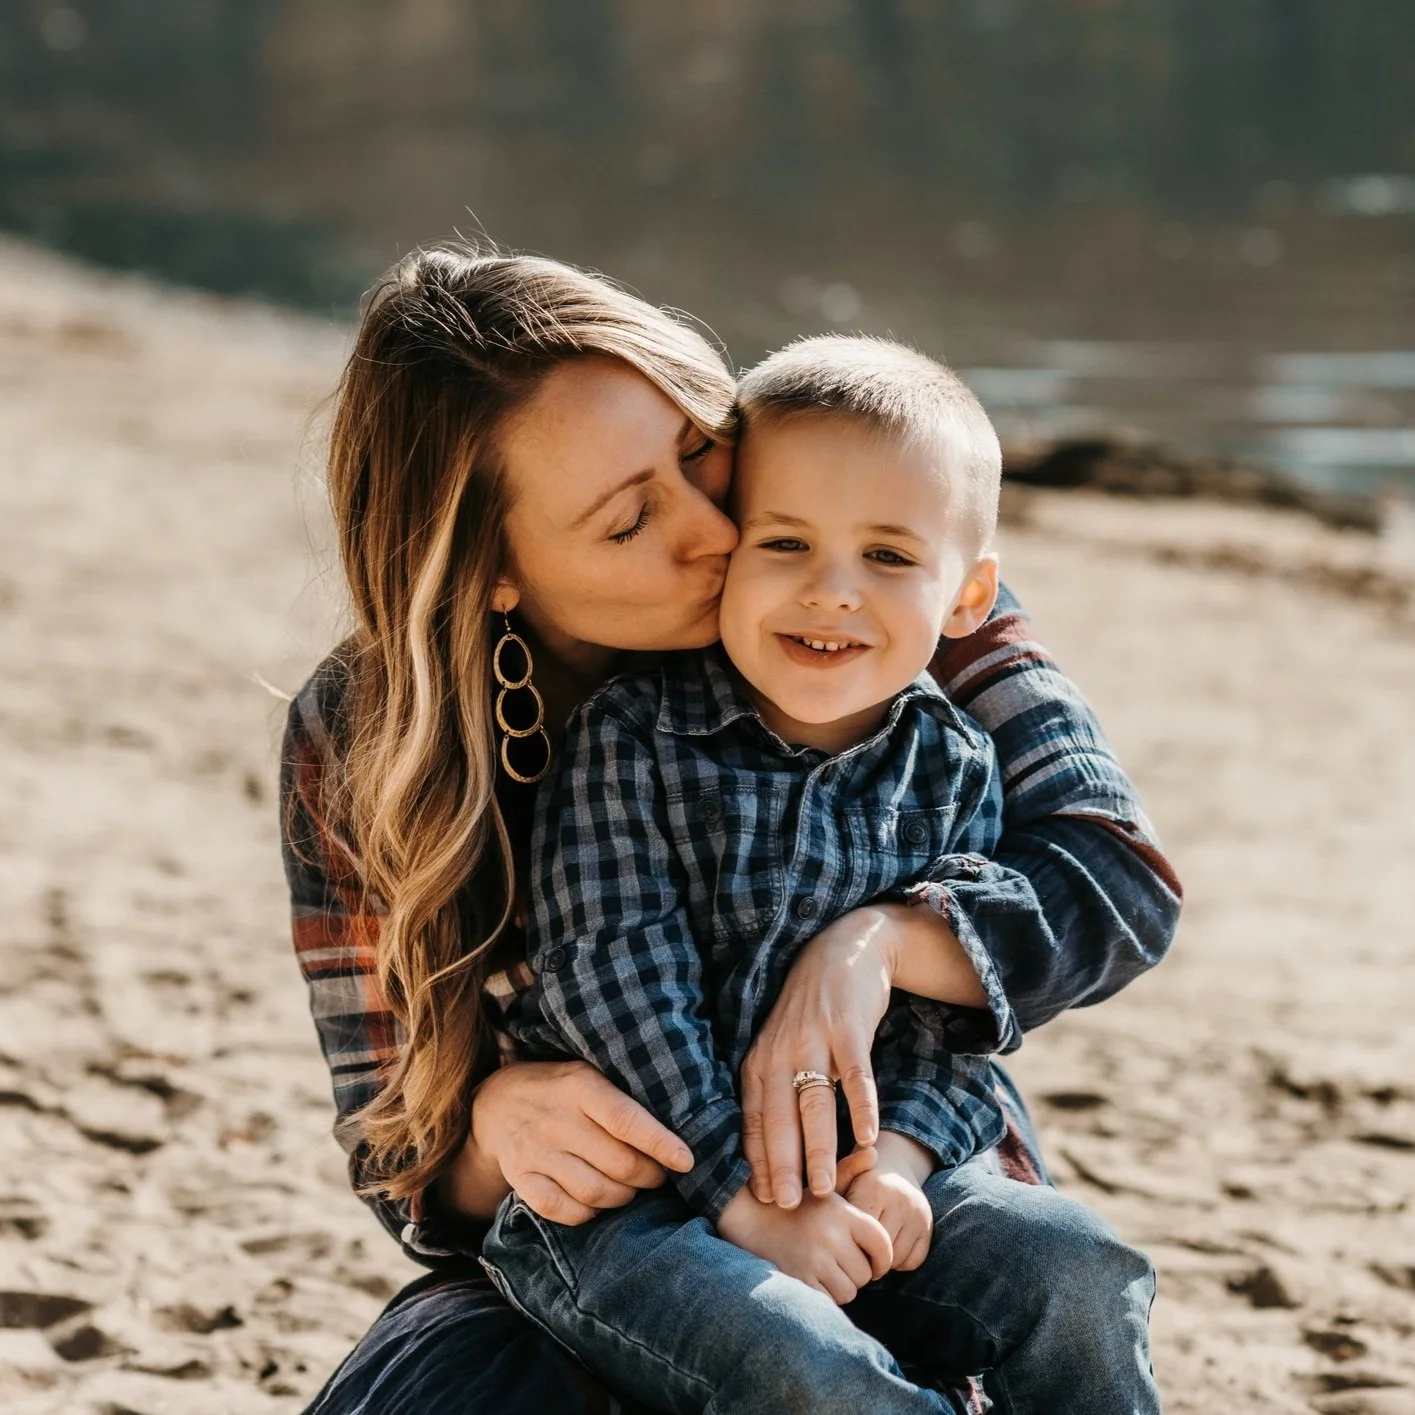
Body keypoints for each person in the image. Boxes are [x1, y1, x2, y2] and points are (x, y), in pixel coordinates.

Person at [280, 244, 1182, 1414]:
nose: (719, 530)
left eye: (699, 453)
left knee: (1049, 1279)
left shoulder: (862, 559)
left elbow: (1115, 875)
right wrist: (488, 1131)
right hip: (622, 1214)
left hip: (889, 1162)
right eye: (626, 522)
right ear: (495, 571)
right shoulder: (372, 731)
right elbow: (393, 1151)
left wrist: (874, 947)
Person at [481, 336, 1160, 1413]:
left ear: (966, 595)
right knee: (807, 1363)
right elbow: (612, 977)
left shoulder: (952, 761)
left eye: (888, 557)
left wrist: (898, 1156)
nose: (830, 592)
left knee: (1076, 1265)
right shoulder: (635, 737)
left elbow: (956, 1025)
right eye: (784, 541)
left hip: (865, 1174)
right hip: (637, 1206)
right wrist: (745, 1198)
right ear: (727, 553)